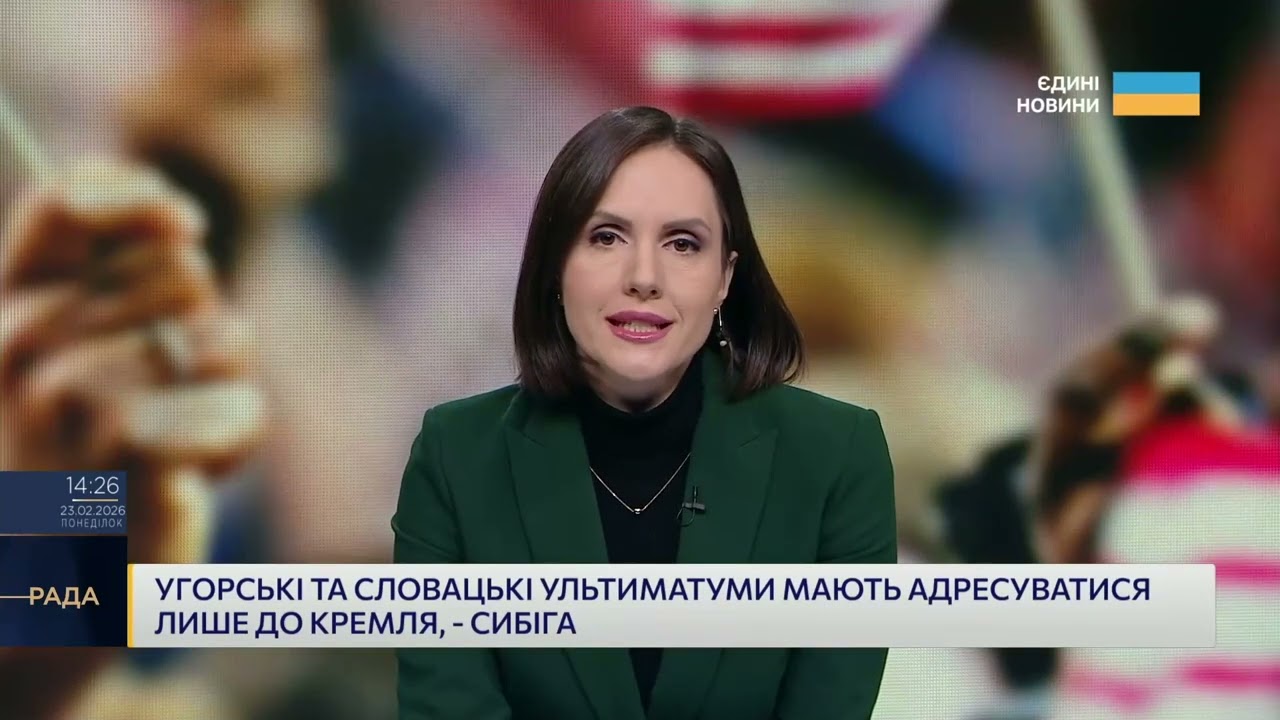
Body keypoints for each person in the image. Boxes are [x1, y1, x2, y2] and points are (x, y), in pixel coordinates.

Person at [392, 106, 898, 720]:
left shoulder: (838, 455)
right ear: (555, 266)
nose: (644, 278)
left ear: (725, 278)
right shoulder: (455, 456)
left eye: (683, 244)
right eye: (607, 237)